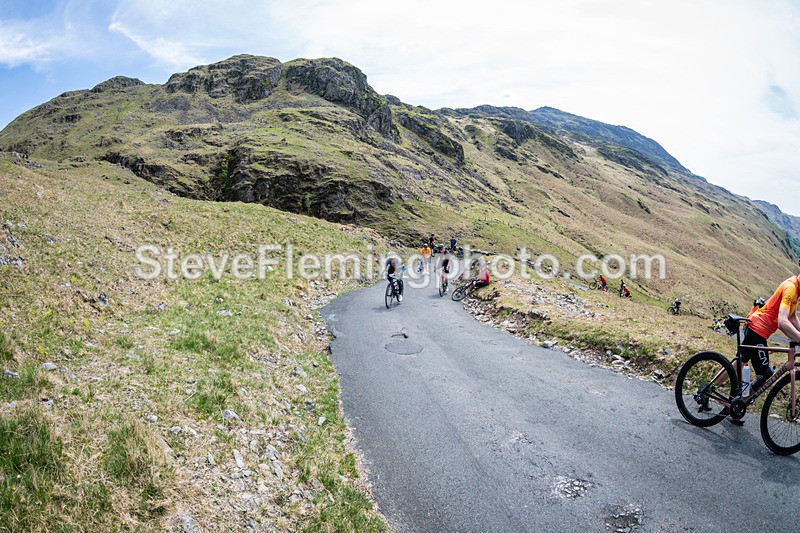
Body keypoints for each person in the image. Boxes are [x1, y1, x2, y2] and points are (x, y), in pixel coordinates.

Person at [743, 274, 800, 392]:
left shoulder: (796, 290)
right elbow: (783, 322)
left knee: (739, 363)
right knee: (763, 374)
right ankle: (741, 401)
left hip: (757, 328)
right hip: (758, 329)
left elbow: (792, 317)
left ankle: (708, 392)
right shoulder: (790, 288)